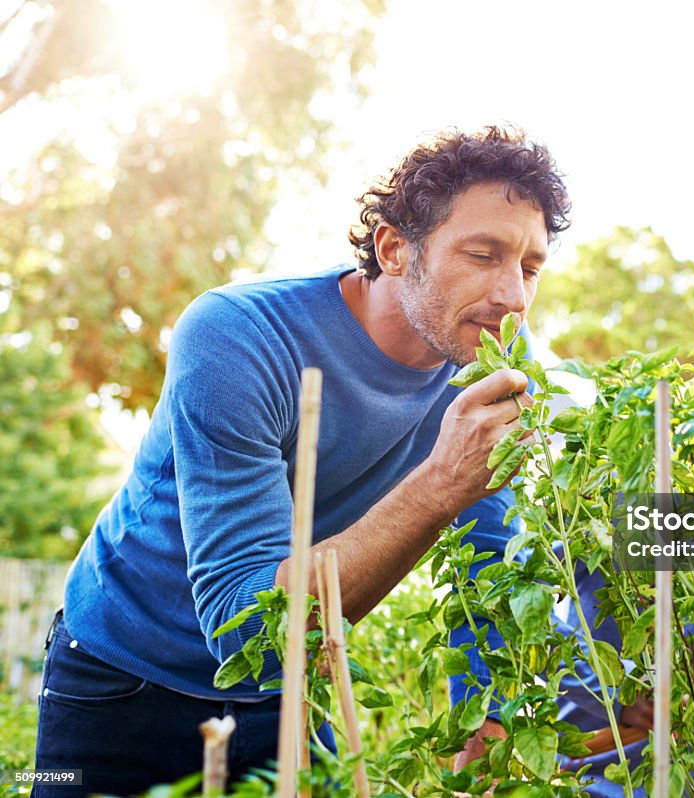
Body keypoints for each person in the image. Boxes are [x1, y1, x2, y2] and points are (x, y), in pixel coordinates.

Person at [32, 125, 571, 797]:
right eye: (482, 254)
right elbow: (248, 632)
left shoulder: (489, 365)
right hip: (120, 679)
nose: (513, 298)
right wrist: (439, 486)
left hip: (292, 690)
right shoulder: (240, 336)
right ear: (396, 248)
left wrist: (486, 752)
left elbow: (492, 582)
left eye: (528, 268)